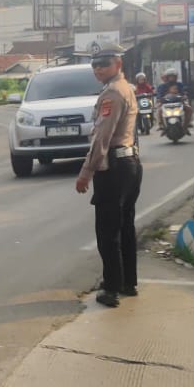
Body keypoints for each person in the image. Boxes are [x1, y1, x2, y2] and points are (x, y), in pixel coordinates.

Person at [75, 48, 141, 308]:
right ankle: (128, 282)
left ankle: (112, 288)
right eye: (94, 65)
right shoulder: (126, 88)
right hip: (129, 163)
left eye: (104, 64)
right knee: (125, 227)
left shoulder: (112, 93)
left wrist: (86, 172)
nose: (98, 69)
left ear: (118, 64)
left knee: (108, 231)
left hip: (114, 168)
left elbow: (103, 136)